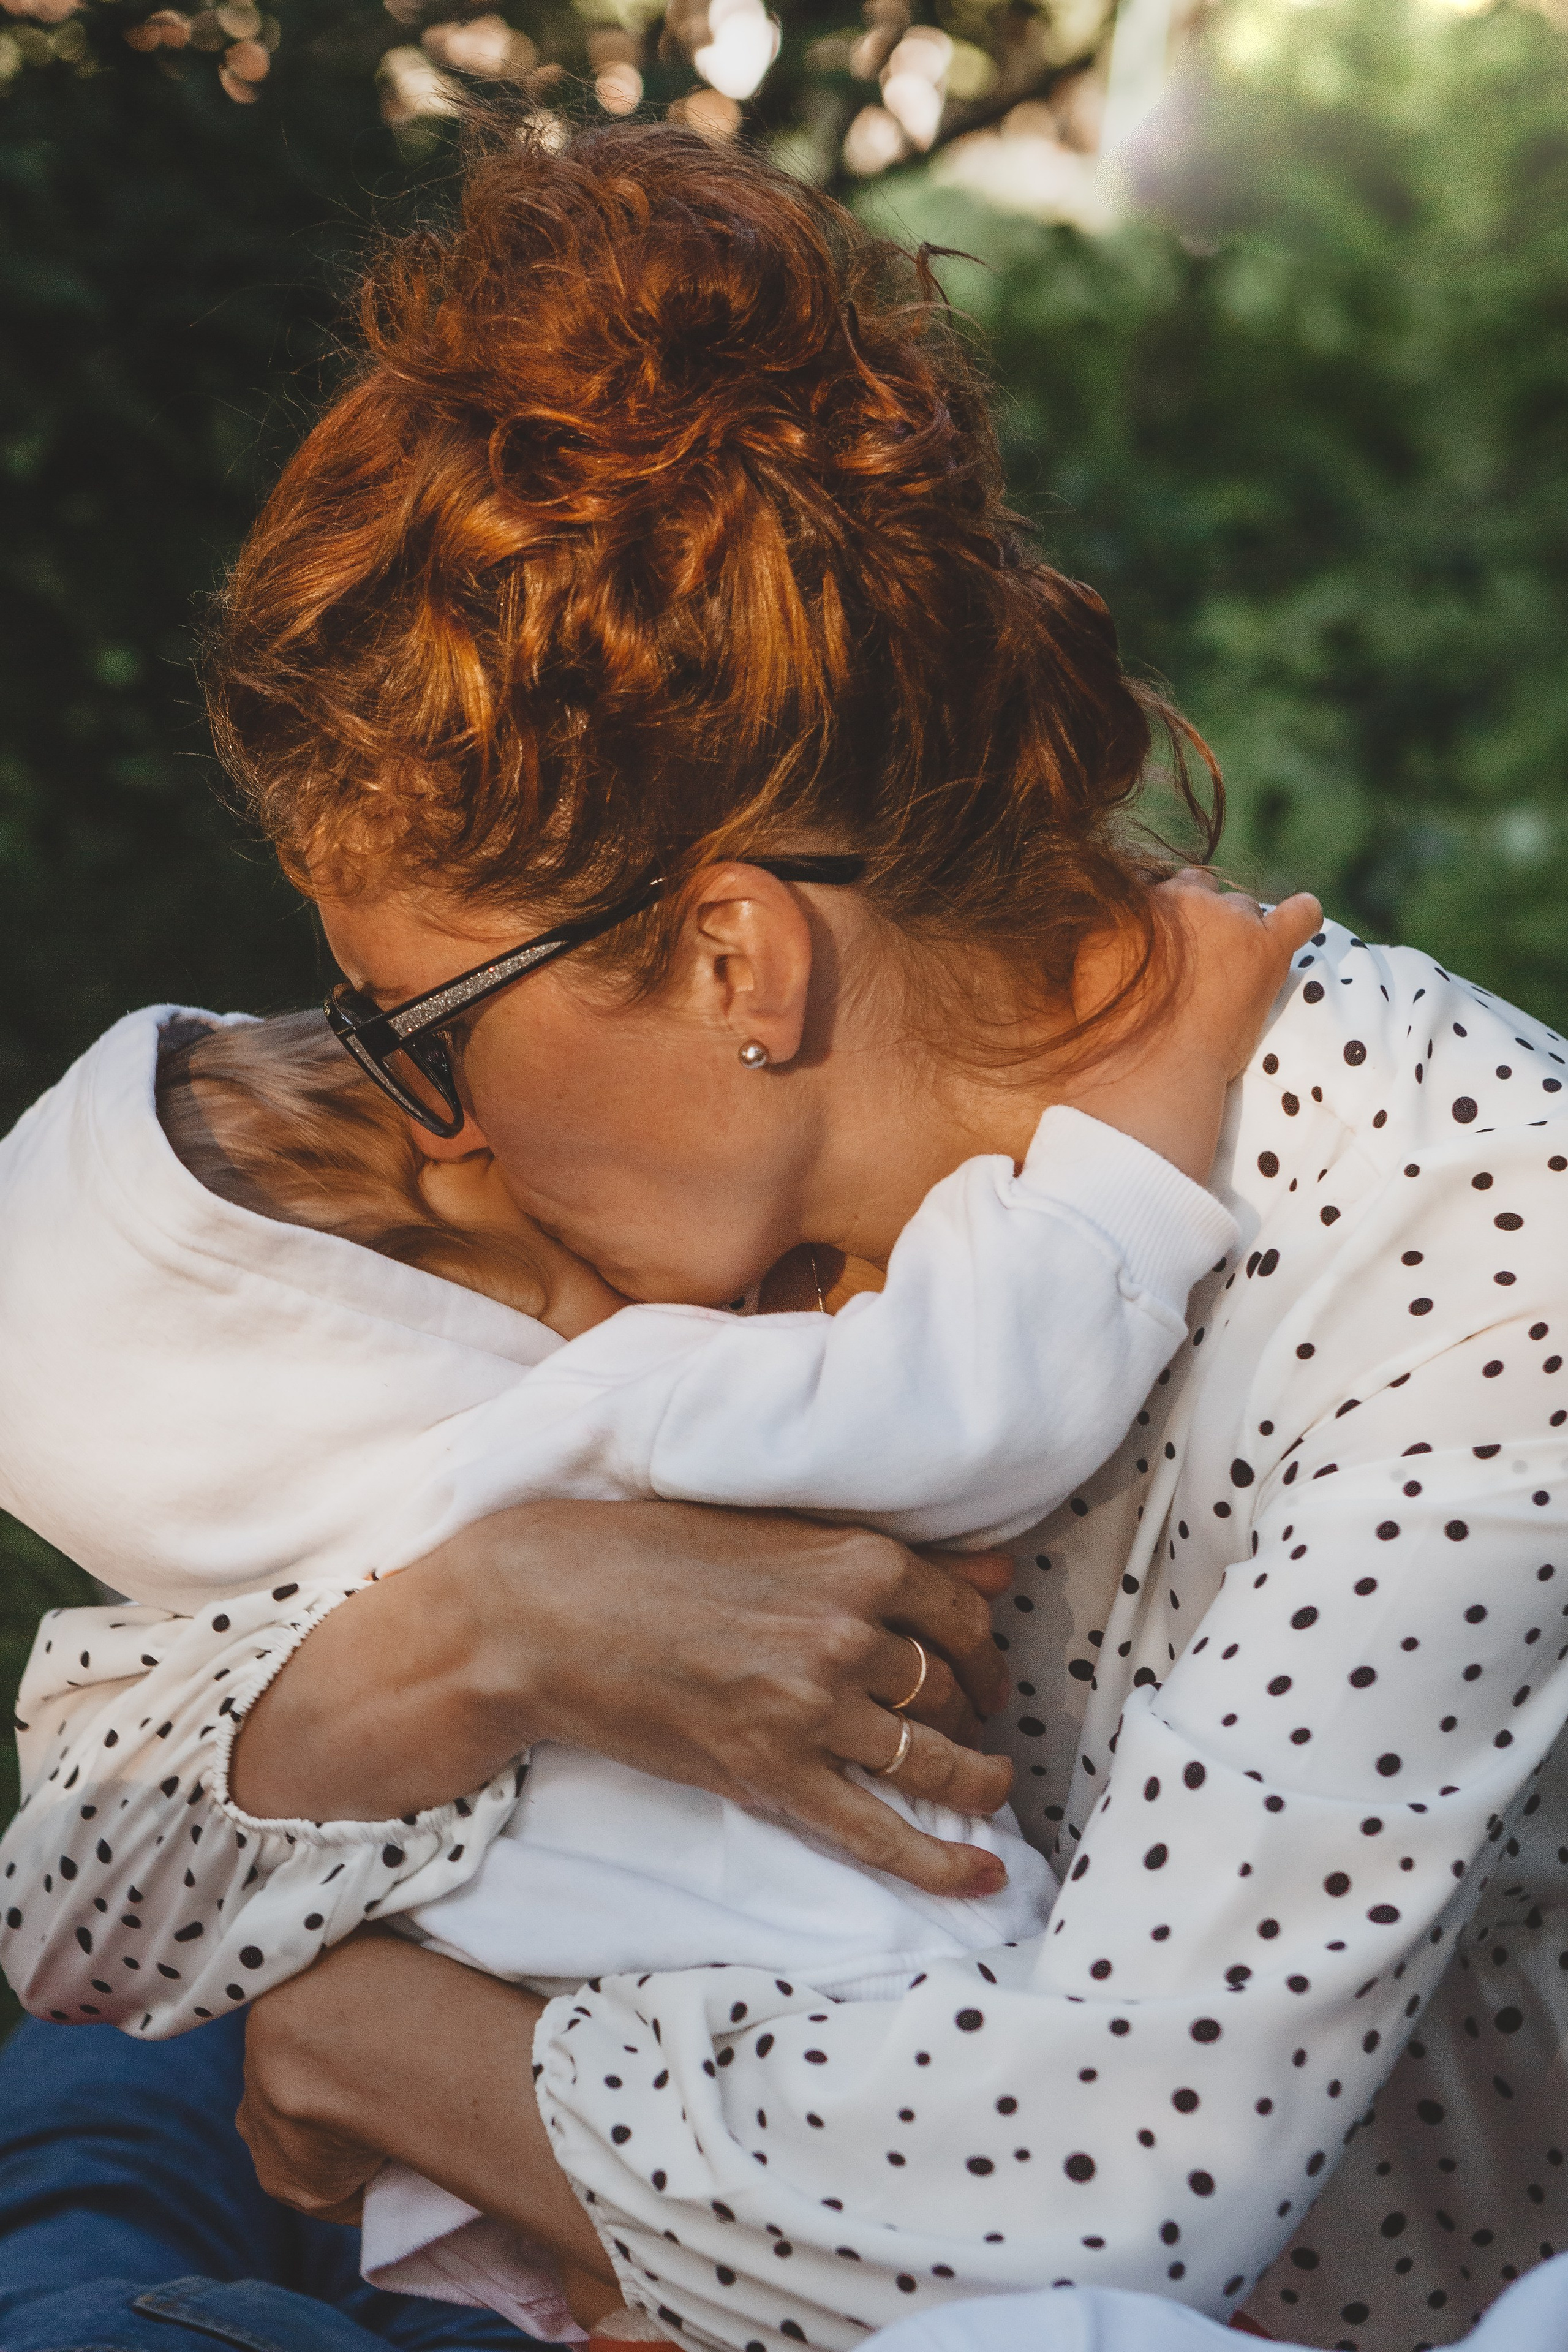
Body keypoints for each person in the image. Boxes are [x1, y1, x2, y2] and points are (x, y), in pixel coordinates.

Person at [2, 116, 1565, 2352]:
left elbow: (1080, 2203)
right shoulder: (693, 1251)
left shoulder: (1481, 1255)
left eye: (419, 1023)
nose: (413, 1119)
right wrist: (487, 1632)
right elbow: (75, 1861)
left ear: (737, 963)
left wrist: (356, 2044)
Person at [0, 915, 1284, 2331]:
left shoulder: (296, 1585)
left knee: (76, 2203)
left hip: (561, 2141)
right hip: (854, 2036)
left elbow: (68, 1938)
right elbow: (980, 1401)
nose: (474, 1129)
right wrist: (1142, 1117)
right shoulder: (590, 1416)